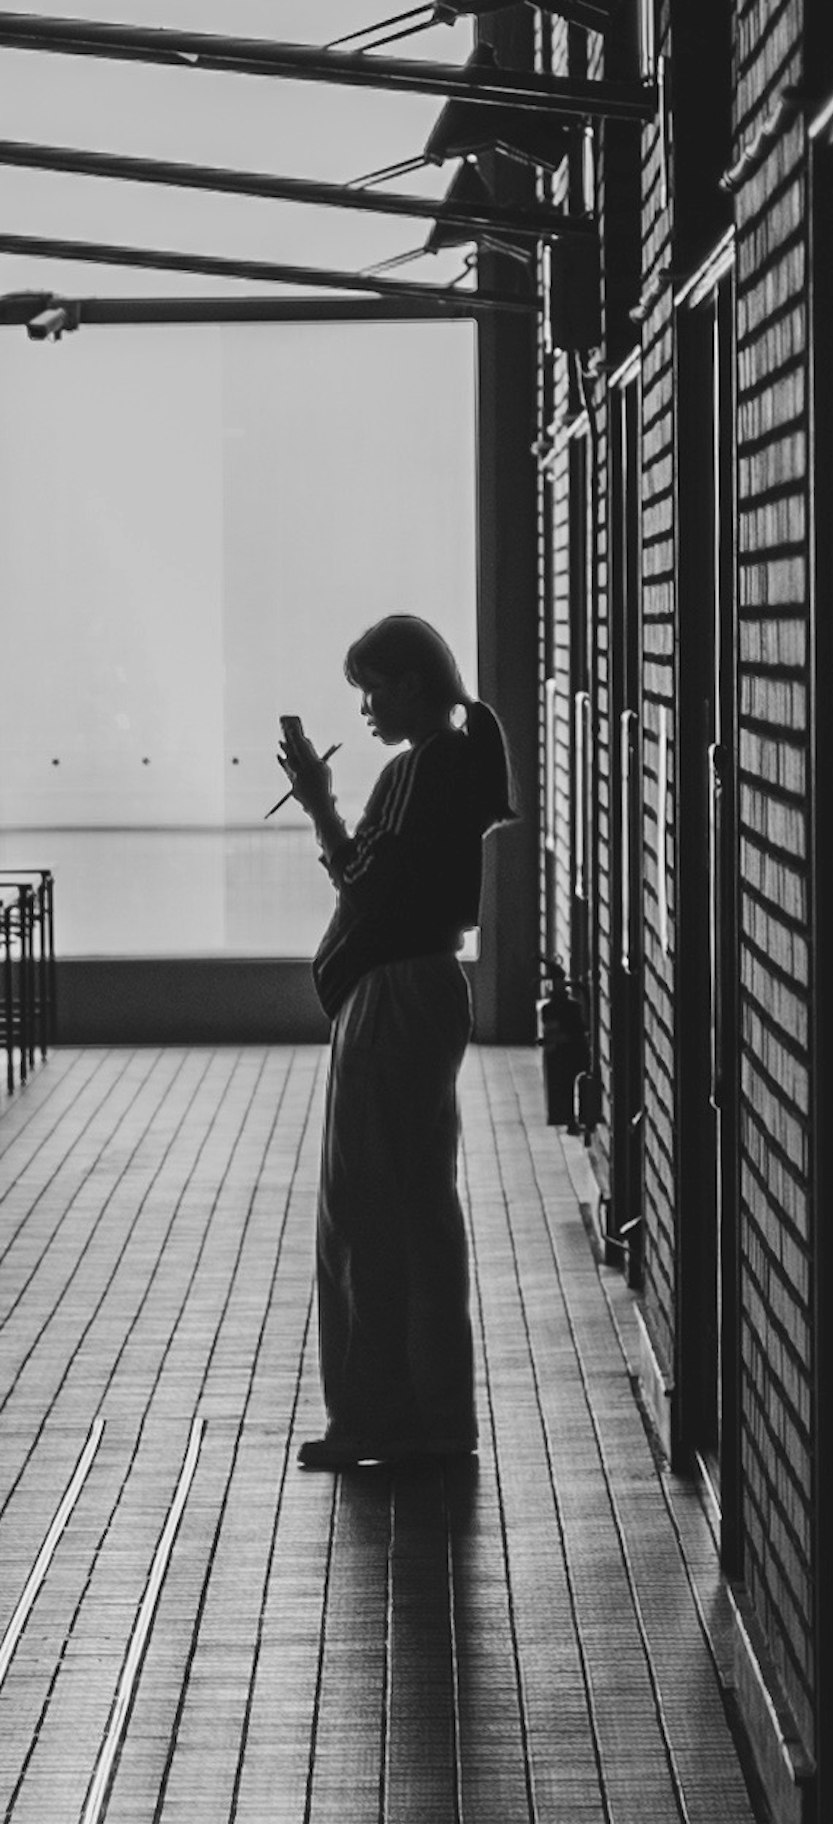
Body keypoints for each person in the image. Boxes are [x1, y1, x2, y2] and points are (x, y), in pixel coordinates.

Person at [274, 612, 511, 1478]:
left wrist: (321, 804)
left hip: (393, 996)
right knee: (420, 1205)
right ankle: (434, 1415)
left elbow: (362, 880)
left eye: (373, 687)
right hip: (425, 992)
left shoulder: (418, 770)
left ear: (413, 682)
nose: (367, 707)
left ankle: (375, 1415)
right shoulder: (457, 763)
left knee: (364, 1207)